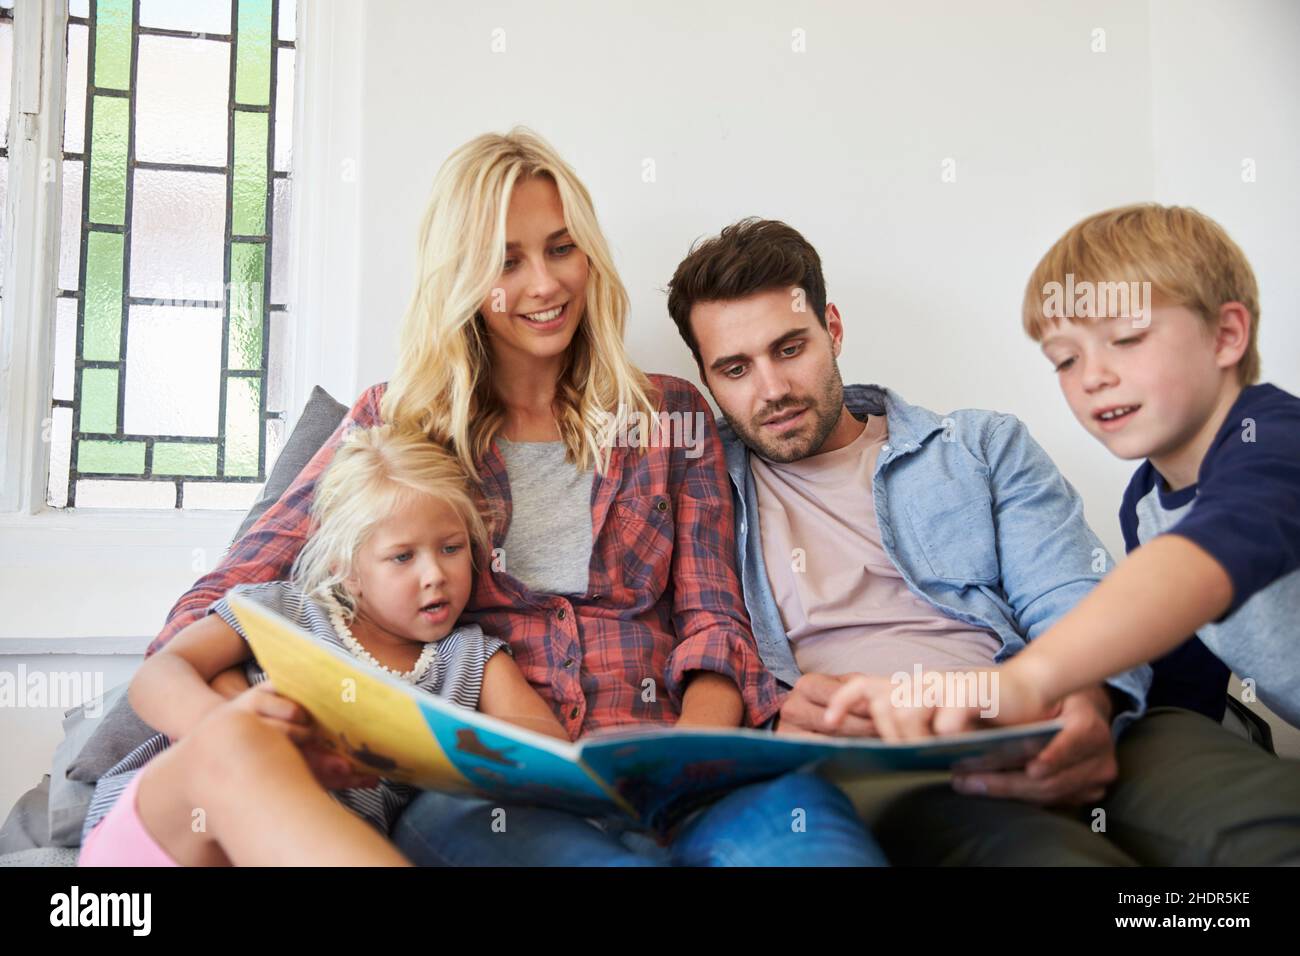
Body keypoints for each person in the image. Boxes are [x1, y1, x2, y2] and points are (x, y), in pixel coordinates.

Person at [148, 130, 884, 867]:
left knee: (815, 844)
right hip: (493, 799)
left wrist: (690, 761)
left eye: (562, 249)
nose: (545, 285)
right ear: (463, 276)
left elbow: (714, 622)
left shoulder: (670, 416)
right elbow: (221, 601)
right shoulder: (396, 424)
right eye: (508, 260)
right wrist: (234, 739)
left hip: (676, 771)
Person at [668, 215, 1300, 865]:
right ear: (708, 380)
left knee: (1264, 823)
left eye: (790, 348)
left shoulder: (978, 445)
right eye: (736, 368)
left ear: (832, 329)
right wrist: (779, 722)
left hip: (1059, 710)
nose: (771, 389)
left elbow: (1074, 594)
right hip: (893, 762)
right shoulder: (694, 486)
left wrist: (1086, 703)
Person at [80, 425, 566, 866]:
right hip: (169, 836)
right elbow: (161, 674)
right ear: (346, 569)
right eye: (402, 556)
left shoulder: (470, 658)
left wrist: (430, 753)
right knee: (238, 740)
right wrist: (227, 721)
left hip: (301, 850)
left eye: (451, 548)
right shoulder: (281, 610)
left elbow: (547, 755)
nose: (435, 574)